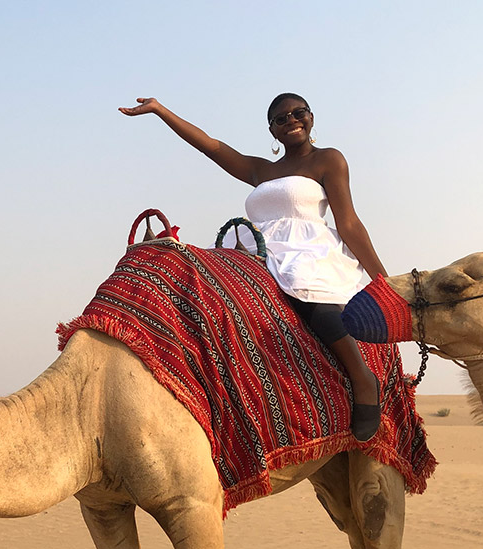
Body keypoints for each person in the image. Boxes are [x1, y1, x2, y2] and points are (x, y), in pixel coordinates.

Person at [119, 93, 387, 441]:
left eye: (298, 113)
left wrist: (384, 281)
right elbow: (212, 147)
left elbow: (348, 222)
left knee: (309, 296)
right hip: (257, 246)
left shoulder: (328, 160)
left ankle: (362, 377)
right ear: (273, 131)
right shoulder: (262, 170)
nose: (291, 120)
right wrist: (160, 110)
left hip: (305, 249)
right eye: (281, 118)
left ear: (310, 117)